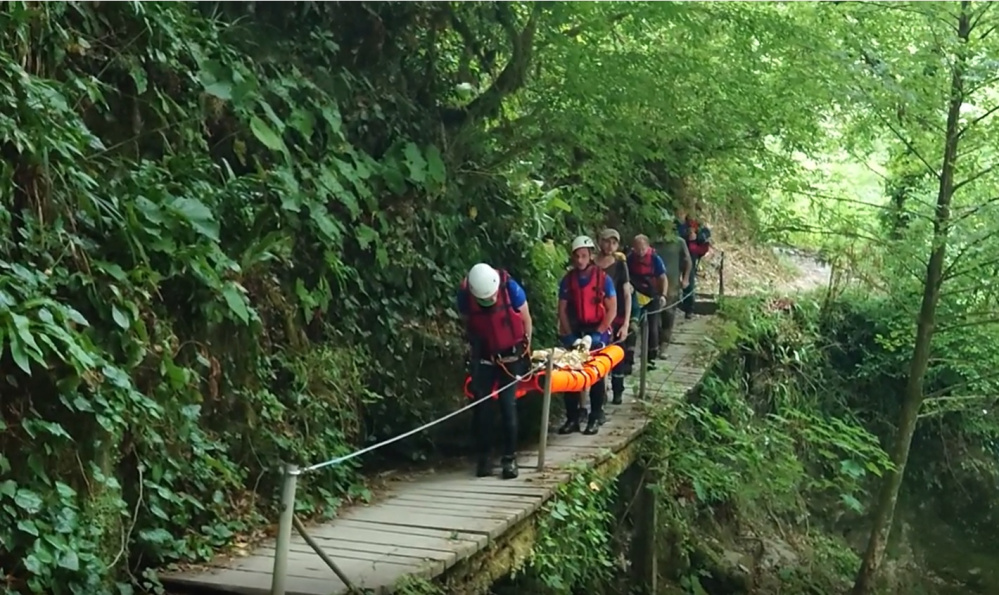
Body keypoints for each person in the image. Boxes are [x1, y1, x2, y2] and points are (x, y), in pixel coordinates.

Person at [457, 263, 533, 479]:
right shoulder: (465, 296)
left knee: (508, 404)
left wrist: (525, 352)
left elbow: (526, 320)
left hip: (511, 354)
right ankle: (485, 457)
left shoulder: (511, 288)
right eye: (485, 300)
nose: (489, 302)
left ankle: (509, 458)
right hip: (484, 356)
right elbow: (467, 323)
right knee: (482, 406)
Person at [557, 236, 617, 435]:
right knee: (571, 372)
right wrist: (569, 334)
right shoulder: (568, 280)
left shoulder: (603, 279)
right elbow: (563, 309)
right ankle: (572, 418)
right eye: (577, 256)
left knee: (596, 374)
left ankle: (595, 415)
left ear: (590, 256)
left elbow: (612, 309)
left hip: (597, 330)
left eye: (584, 256)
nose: (580, 260)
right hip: (576, 329)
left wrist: (598, 334)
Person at [595, 228, 634, 407]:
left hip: (616, 317)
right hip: (596, 319)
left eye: (614, 242)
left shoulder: (620, 265)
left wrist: (626, 323)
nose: (609, 246)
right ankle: (599, 394)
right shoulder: (591, 264)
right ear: (599, 241)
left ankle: (617, 389)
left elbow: (626, 294)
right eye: (606, 241)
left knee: (617, 355)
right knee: (597, 357)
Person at [627, 234, 668, 368]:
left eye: (642, 248)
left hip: (652, 295)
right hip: (635, 296)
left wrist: (663, 295)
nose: (640, 252)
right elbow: (624, 276)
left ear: (648, 246)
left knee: (653, 326)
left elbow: (663, 278)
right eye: (637, 248)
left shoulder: (655, 259)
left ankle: (651, 358)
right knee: (632, 325)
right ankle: (629, 358)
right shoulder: (630, 259)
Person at [652, 227, 691, 350]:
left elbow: (688, 261)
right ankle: (655, 344)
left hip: (672, 283)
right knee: (654, 316)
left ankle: (664, 344)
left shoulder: (679, 242)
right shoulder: (653, 242)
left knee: (668, 315)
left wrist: (685, 278)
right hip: (654, 284)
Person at [676, 207, 711, 319]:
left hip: (691, 255)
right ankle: (676, 305)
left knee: (689, 281)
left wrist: (696, 237)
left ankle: (689, 309)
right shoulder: (676, 225)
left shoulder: (697, 226)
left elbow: (705, 235)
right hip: (677, 254)